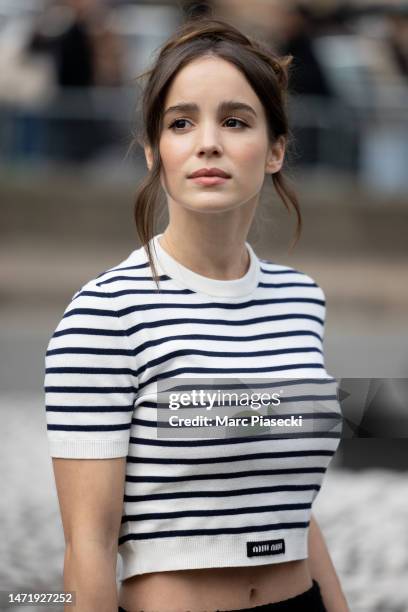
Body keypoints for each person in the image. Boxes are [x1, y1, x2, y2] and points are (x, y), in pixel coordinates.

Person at [44, 17, 349, 612]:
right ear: (157, 152)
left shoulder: (301, 300)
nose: (207, 142)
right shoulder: (105, 313)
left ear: (276, 150)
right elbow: (88, 546)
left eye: (235, 121)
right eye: (181, 123)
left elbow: (292, 506)